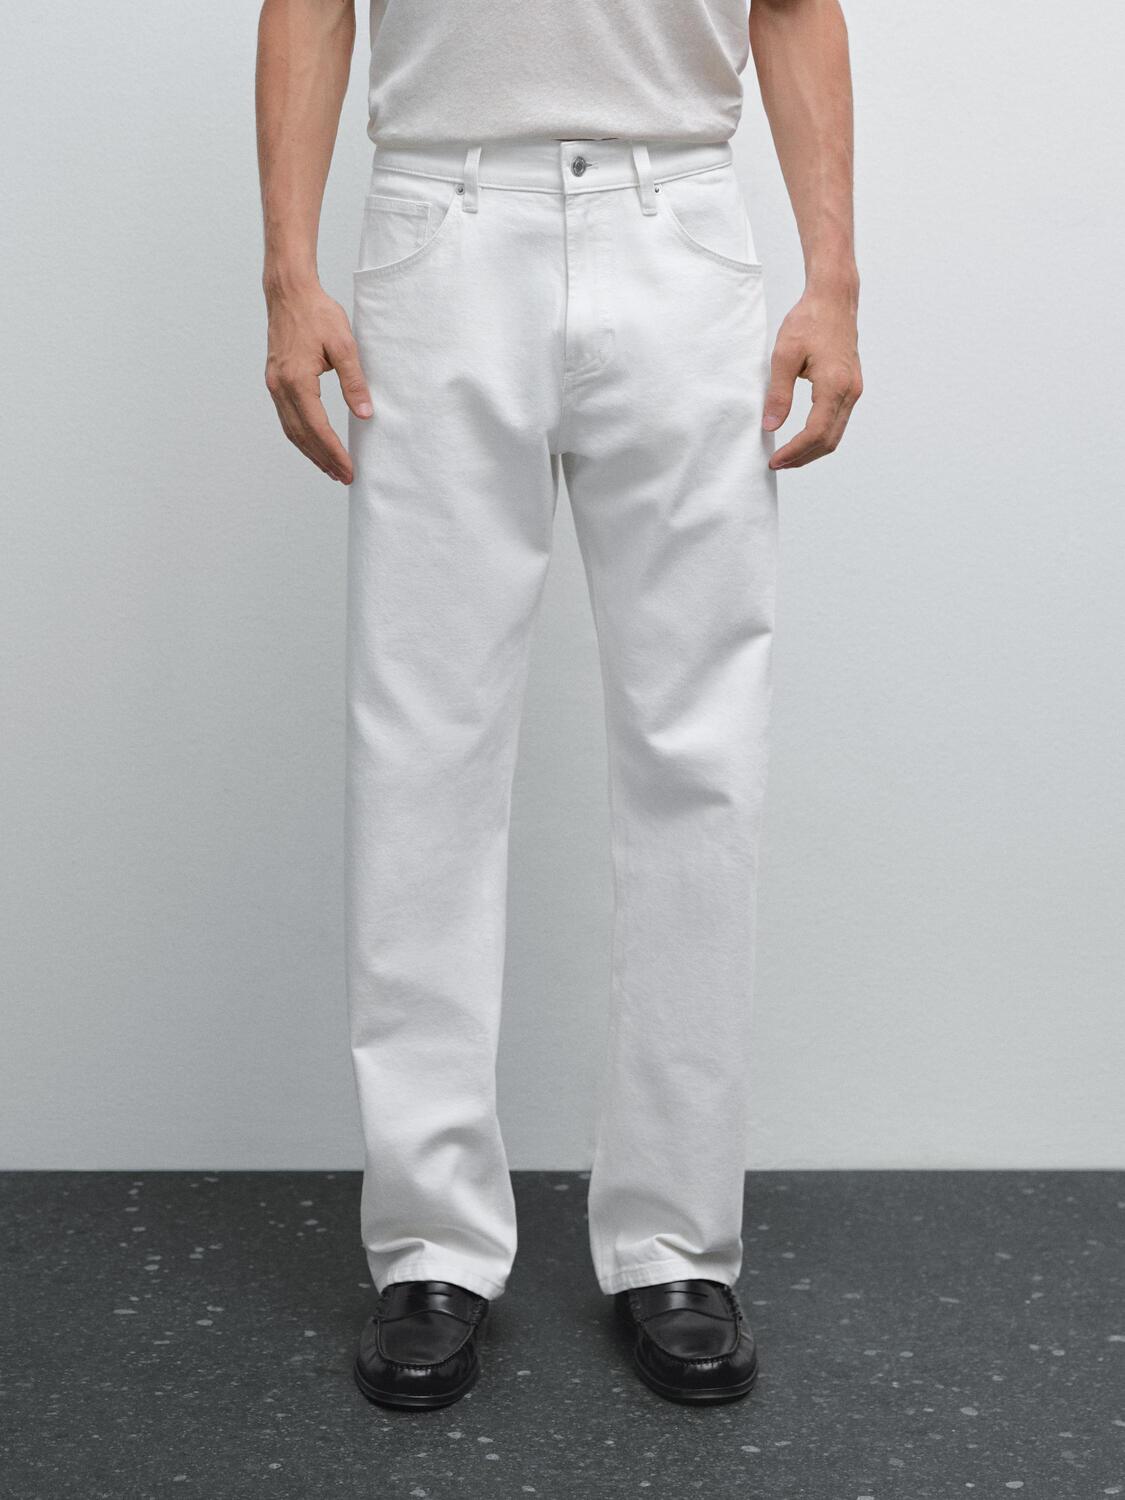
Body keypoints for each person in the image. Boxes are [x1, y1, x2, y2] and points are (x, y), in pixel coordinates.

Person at [255, 0, 861, 1410]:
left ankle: (676, 1241)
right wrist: (289, 270)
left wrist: (832, 279)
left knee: (699, 753)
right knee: (423, 748)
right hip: (441, 225)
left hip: (679, 224)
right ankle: (429, 1243)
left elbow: (793, 6)